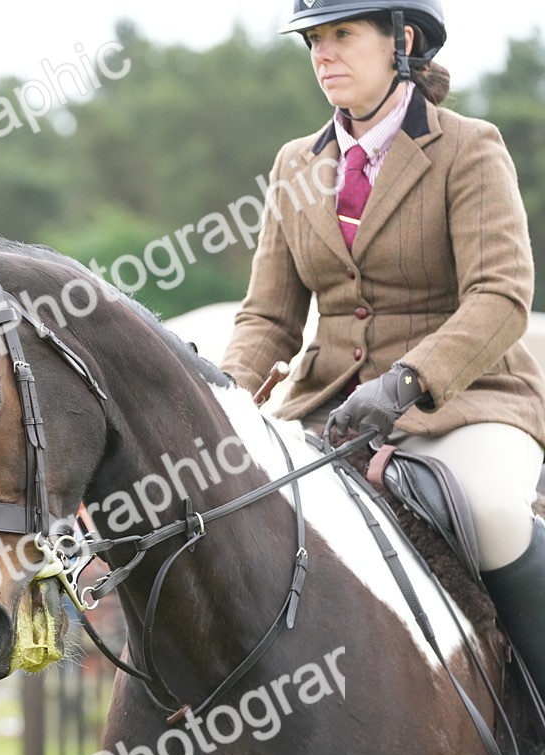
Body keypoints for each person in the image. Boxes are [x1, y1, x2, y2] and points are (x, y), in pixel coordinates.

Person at [220, 0, 545, 698]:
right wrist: (216, 396)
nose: (324, 55)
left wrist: (406, 382)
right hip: (331, 411)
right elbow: (269, 318)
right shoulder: (293, 166)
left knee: (490, 514)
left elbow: (501, 295)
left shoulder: (469, 146)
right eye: (314, 41)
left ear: (402, 40)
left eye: (342, 35)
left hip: (469, 401)